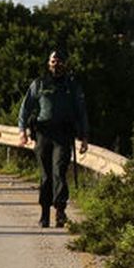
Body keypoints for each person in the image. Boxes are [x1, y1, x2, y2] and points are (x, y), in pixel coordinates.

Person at [17, 50, 89, 228]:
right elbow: (25, 108)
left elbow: (81, 112)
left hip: (63, 135)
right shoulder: (39, 83)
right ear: (48, 63)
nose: (56, 64)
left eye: (59, 61)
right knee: (46, 176)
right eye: (53, 61)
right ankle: (44, 213)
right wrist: (22, 131)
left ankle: (60, 210)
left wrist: (85, 137)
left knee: (59, 172)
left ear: (65, 63)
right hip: (43, 134)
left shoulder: (71, 86)